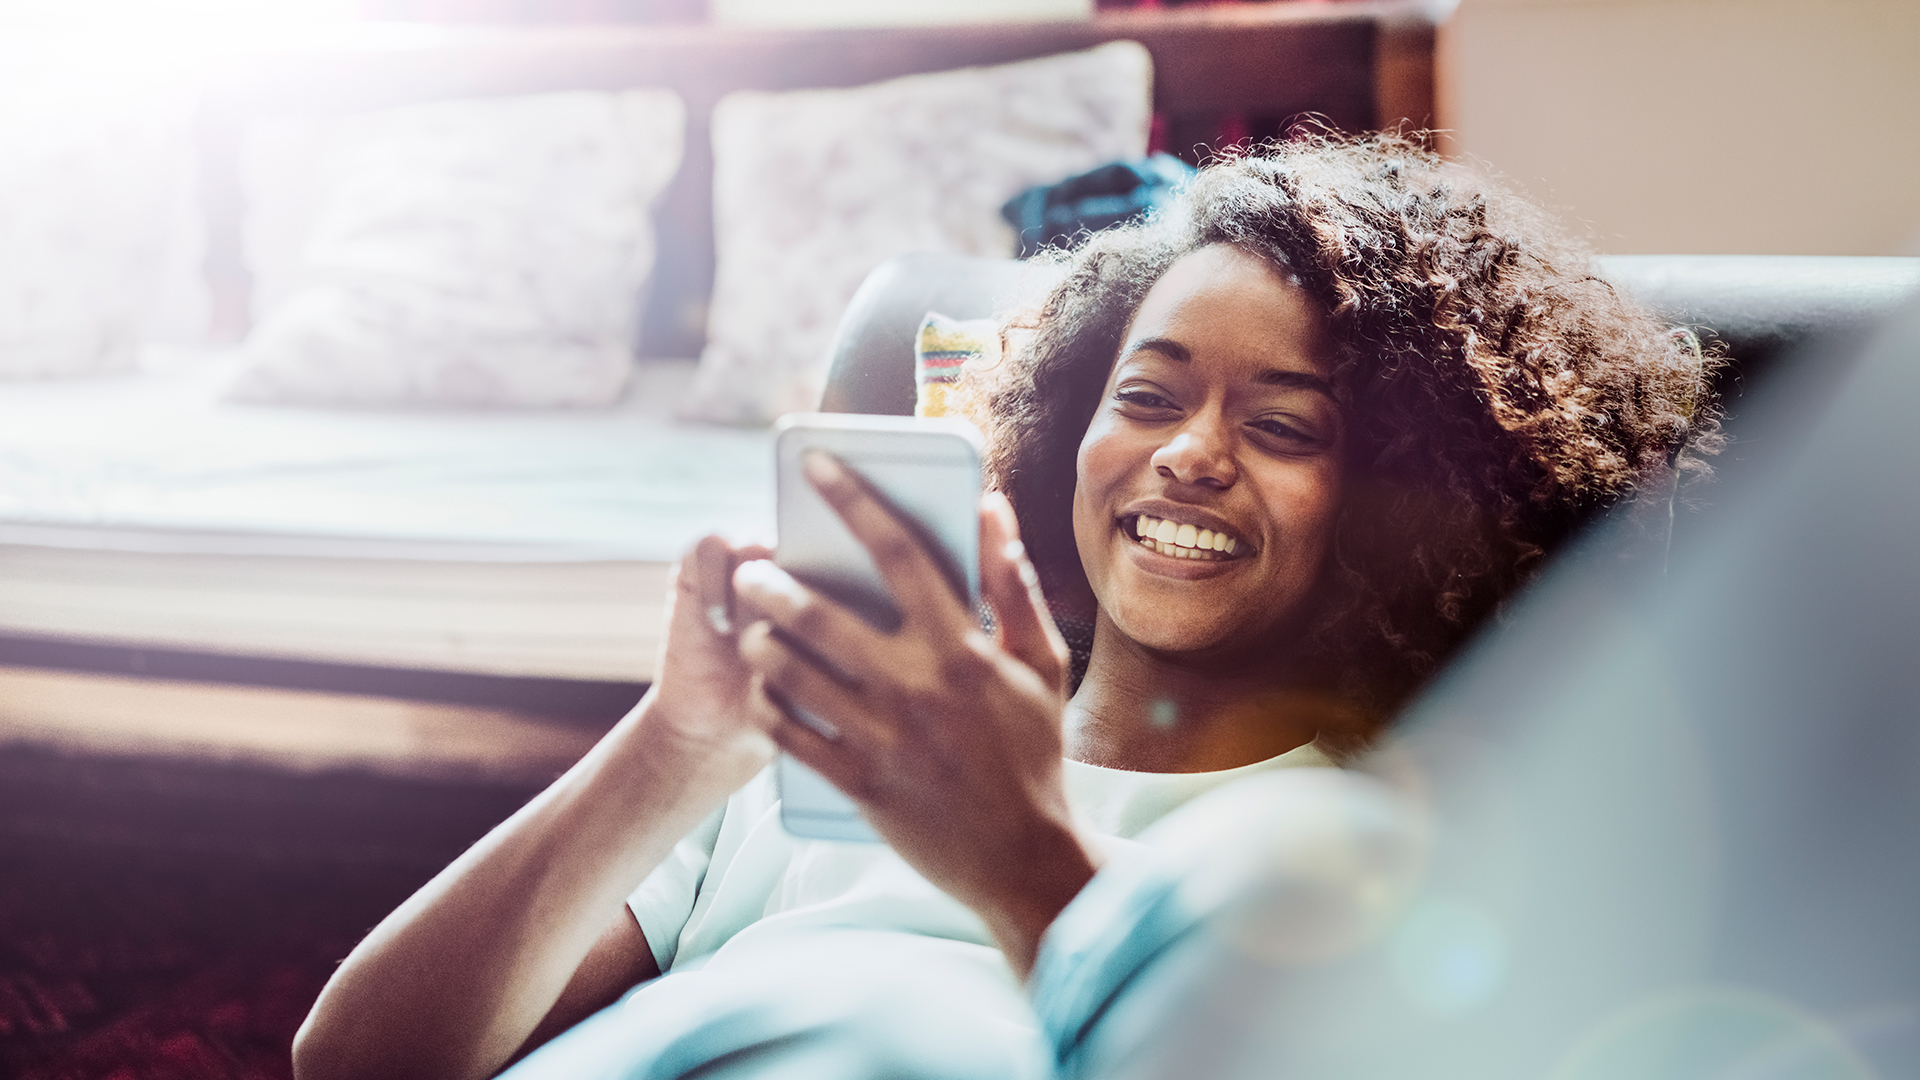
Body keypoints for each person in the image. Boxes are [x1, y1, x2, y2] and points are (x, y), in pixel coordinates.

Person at [290, 133, 1716, 1080]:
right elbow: (356, 1061)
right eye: (1145, 397)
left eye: (1286, 427)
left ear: (1412, 501)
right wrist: (678, 747)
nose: (1187, 454)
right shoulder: (851, 743)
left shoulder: (1390, 838)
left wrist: (1018, 854)